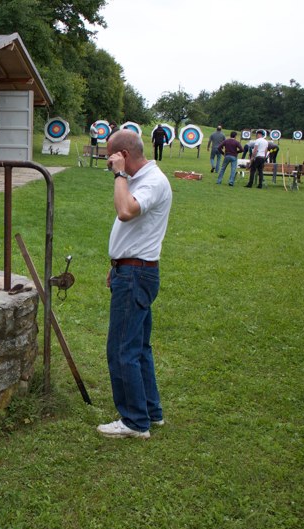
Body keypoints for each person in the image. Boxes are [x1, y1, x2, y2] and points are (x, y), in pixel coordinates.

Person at [98, 129, 172, 439]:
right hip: (131, 271)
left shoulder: (152, 181)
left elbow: (125, 211)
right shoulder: (141, 179)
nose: (109, 165)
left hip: (136, 274)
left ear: (124, 155)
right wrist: (117, 264)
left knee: (122, 349)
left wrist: (119, 175)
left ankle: (134, 421)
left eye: (111, 159)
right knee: (138, 347)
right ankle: (151, 412)